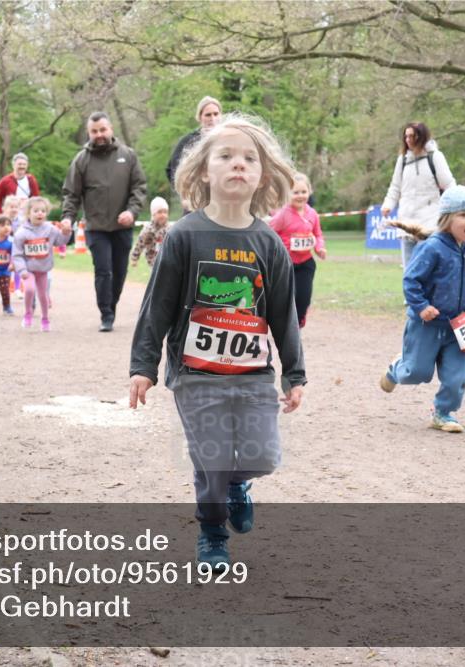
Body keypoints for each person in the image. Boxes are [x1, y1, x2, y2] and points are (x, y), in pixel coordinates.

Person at [129, 114, 306, 570]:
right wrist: (143, 367)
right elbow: (157, 307)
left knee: (262, 456)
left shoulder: (269, 244)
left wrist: (294, 373)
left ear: (262, 174)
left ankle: (235, 484)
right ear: (203, 171)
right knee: (210, 458)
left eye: (249, 158)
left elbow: (283, 315)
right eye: (225, 156)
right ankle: (212, 536)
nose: (237, 164)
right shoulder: (184, 236)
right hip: (195, 375)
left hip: (251, 375)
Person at [378, 185, 465, 432]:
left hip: (458, 325)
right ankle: (397, 367)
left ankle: (443, 412)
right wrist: (421, 307)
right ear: (447, 219)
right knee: (415, 373)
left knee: (456, 377)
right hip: (426, 324)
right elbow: (411, 280)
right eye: (463, 215)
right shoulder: (432, 248)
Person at [61, 112, 147, 331]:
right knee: (103, 270)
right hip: (96, 227)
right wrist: (67, 217)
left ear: (111, 129)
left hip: (122, 226)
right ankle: (106, 314)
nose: (99, 135)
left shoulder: (128, 155)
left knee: (119, 271)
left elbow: (139, 187)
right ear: (89, 133)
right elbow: (71, 194)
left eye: (102, 130)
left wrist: (132, 212)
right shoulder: (81, 159)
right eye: (94, 131)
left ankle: (112, 305)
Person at [380, 122, 456, 268]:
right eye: (406, 136)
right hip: (406, 221)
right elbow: (395, 187)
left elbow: (449, 185)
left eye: (412, 136)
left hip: (430, 221)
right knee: (409, 270)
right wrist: (388, 204)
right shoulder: (402, 160)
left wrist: (453, 210)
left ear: (421, 137)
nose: (408, 140)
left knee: (428, 267)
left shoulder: (435, 157)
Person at [268, 173, 327, 328]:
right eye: (296, 192)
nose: (300, 196)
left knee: (304, 298)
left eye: (303, 192)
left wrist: (319, 248)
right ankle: (285, 325)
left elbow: (318, 234)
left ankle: (298, 323)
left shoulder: (312, 214)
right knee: (288, 298)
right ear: (288, 194)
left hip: (306, 263)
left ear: (309, 191)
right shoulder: (283, 215)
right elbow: (269, 231)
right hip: (286, 264)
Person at [12, 197, 71, 331]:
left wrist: (66, 233)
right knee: (29, 289)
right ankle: (28, 313)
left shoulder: (50, 229)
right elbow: (17, 254)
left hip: (43, 269)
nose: (40, 213)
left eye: (43, 211)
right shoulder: (21, 233)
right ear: (28, 213)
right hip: (28, 270)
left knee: (43, 295)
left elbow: (60, 241)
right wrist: (22, 270)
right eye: (36, 211)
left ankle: (45, 318)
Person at [166, 96, 223, 191]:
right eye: (208, 115)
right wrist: (183, 192)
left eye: (216, 114)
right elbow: (172, 169)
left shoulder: (229, 138)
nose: (213, 118)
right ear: (200, 117)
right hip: (198, 196)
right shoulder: (188, 141)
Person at [130, 197, 171, 269]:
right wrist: (134, 258)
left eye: (165, 212)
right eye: (160, 212)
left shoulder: (170, 229)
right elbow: (139, 244)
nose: (163, 215)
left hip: (168, 260)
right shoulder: (148, 229)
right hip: (153, 261)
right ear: (153, 214)